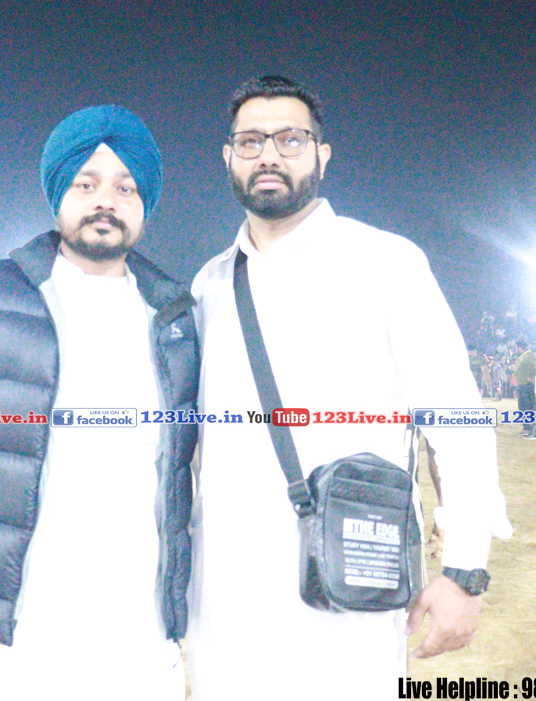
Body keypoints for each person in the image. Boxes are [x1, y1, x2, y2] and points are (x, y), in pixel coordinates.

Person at [187, 75, 511, 701]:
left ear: (321, 153)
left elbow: (458, 420)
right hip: (224, 601)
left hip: (349, 591)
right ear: (228, 157)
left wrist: (465, 570)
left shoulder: (386, 263)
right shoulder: (210, 285)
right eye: (251, 142)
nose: (269, 155)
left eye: (290, 139)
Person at [0, 106, 199, 698]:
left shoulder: (175, 317)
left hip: (137, 645)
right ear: (58, 194)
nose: (106, 201)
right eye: (86, 184)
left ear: (144, 203)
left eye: (125, 188)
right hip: (6, 647)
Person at [513, 340, 536, 433]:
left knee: (528, 406)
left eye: (516, 348)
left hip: (526, 385)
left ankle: (531, 427)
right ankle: (527, 427)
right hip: (522, 385)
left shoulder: (529, 355)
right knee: (523, 407)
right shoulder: (524, 356)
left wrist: (532, 377)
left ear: (519, 347)